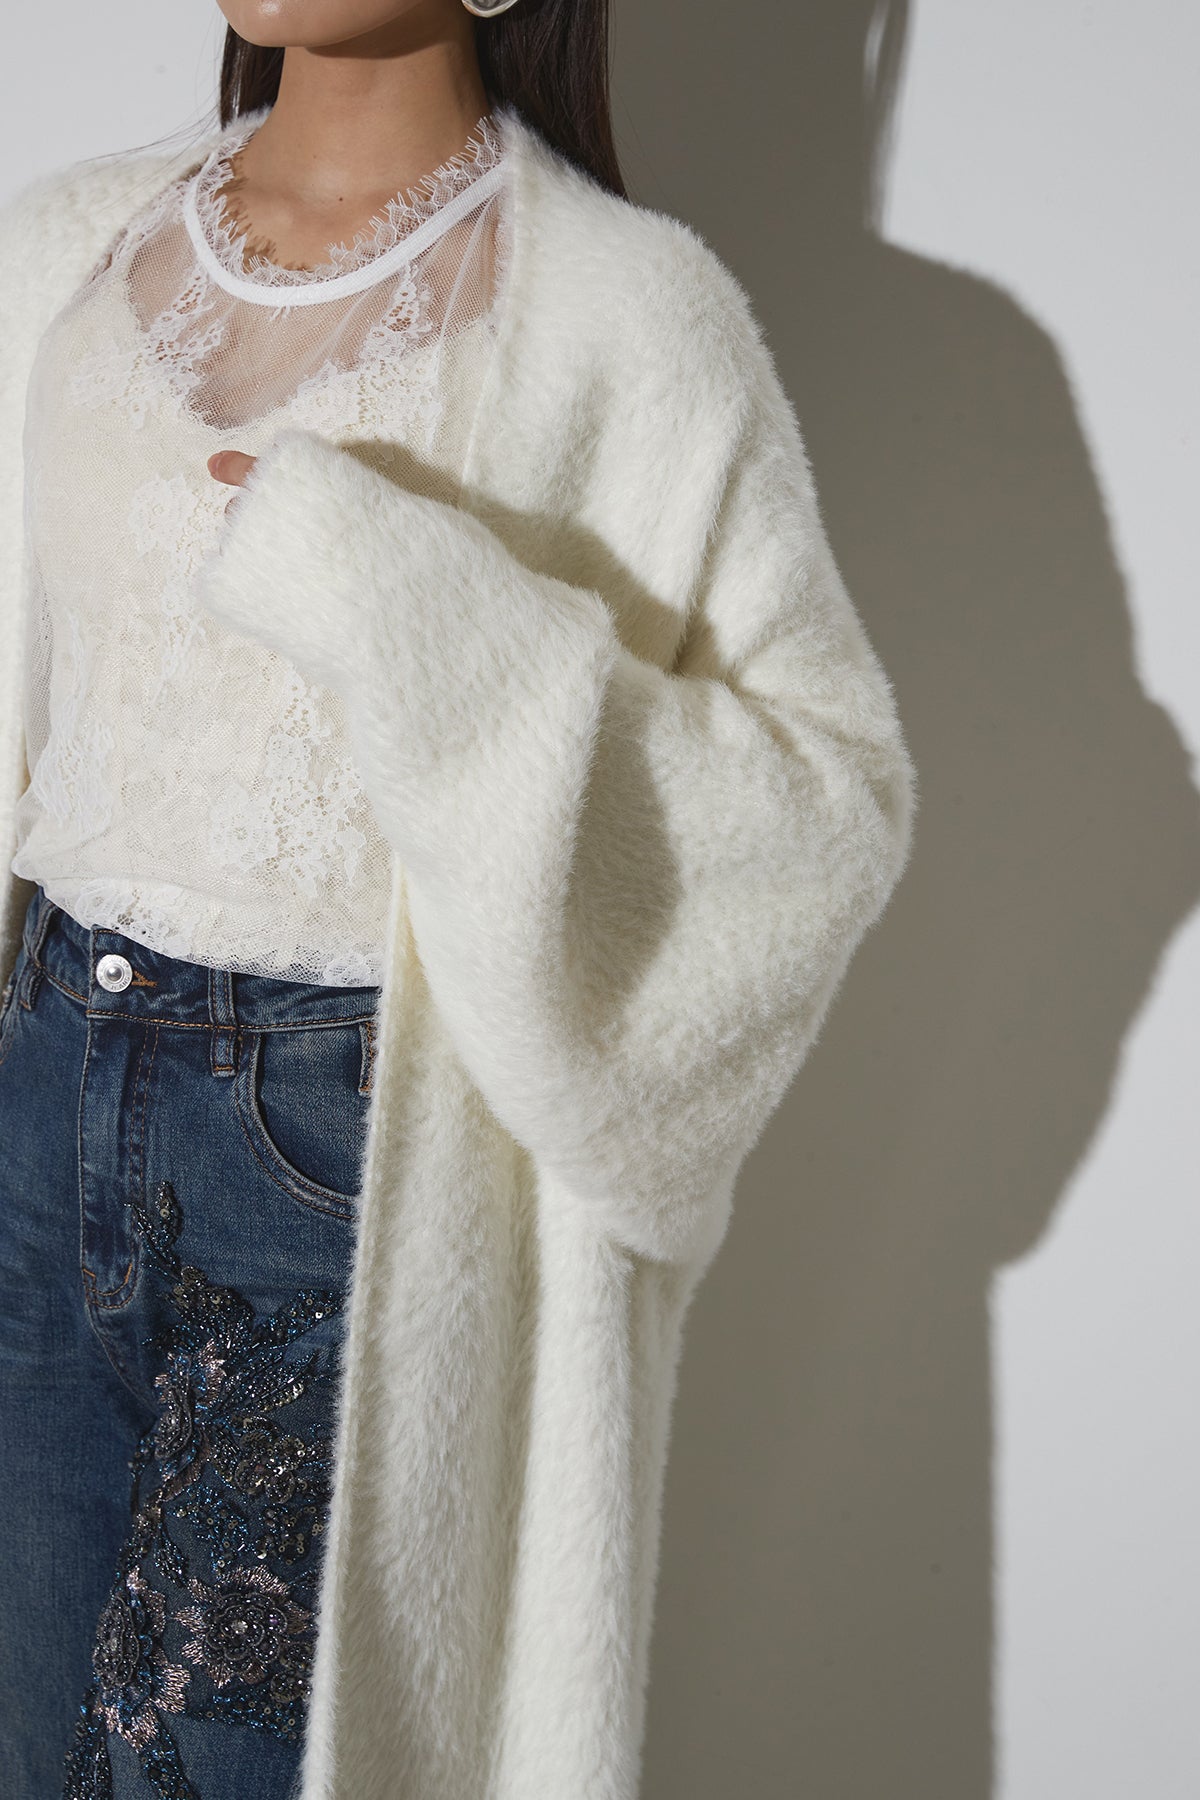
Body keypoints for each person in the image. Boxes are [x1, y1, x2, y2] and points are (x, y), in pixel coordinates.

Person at [0, 2, 919, 1796]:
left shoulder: (630, 316)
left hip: (334, 1154)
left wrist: (403, 594)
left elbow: (824, 805)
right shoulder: (63, 248)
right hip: (40, 1092)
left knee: (238, 1764)